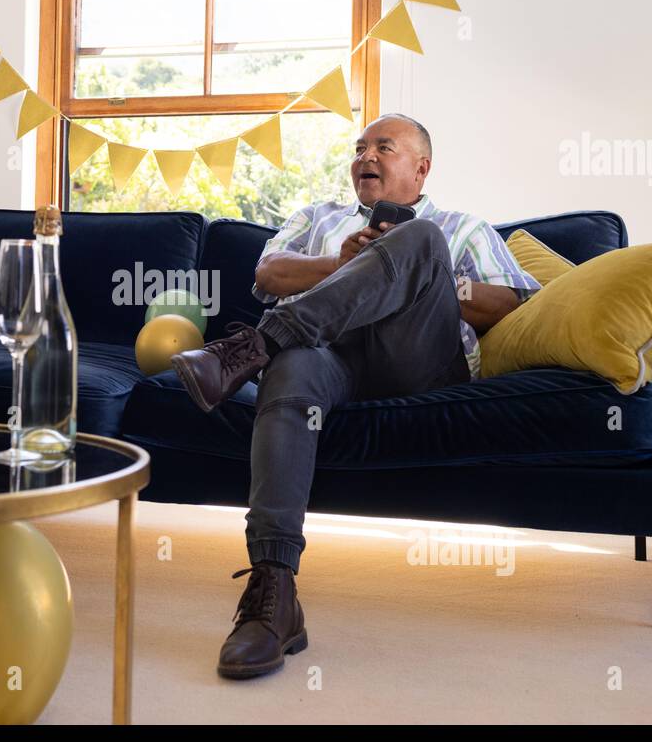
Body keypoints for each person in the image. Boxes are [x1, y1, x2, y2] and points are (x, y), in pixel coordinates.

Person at [170, 113, 541, 680]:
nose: (366, 156)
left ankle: (253, 346)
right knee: (291, 368)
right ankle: (274, 593)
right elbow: (268, 273)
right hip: (330, 359)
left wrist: (424, 272)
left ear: (421, 168)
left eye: (383, 147)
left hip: (416, 360)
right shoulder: (318, 217)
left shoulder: (458, 225)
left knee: (419, 239)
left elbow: (514, 304)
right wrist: (342, 264)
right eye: (360, 147)